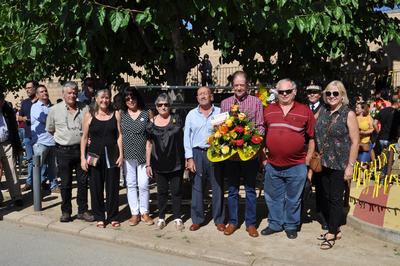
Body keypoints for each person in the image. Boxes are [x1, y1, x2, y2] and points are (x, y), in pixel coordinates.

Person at [262, 79, 315, 240]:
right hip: (272, 164)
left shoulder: (305, 111)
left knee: (294, 199)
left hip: (297, 165)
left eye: (288, 91)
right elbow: (261, 136)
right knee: (273, 197)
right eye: (281, 92)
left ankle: (291, 225)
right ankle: (275, 224)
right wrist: (263, 159)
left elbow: (312, 138)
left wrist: (307, 160)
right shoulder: (268, 110)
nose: (284, 94)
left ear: (295, 91)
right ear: (276, 93)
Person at [314, 80, 359, 249]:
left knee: (335, 198)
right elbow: (311, 124)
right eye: (329, 93)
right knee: (325, 195)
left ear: (342, 96)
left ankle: (332, 231)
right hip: (323, 162)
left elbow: (355, 142)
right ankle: (336, 228)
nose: (332, 96)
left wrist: (351, 166)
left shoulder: (348, 114)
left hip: (340, 163)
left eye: (335, 93)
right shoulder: (323, 110)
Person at [220, 71, 265, 237]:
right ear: (233, 86)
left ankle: (251, 224)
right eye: (236, 85)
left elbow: (260, 126)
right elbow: (221, 127)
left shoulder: (256, 102)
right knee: (232, 190)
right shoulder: (225, 103)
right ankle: (232, 222)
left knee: (250, 189)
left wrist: (252, 141)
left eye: (242, 85)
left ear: (247, 86)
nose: (239, 88)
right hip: (231, 156)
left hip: (249, 155)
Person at [46, 81, 94, 223]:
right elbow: (50, 129)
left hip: (81, 151)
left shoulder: (84, 108)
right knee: (66, 184)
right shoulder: (54, 110)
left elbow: (89, 128)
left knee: (83, 182)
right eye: (69, 93)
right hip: (63, 151)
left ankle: (83, 211)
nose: (72, 95)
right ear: (63, 94)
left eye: (74, 92)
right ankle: (66, 211)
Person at [184, 86, 225, 232]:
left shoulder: (220, 112)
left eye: (205, 94)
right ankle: (197, 219)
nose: (203, 96)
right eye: (200, 94)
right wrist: (189, 158)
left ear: (211, 96)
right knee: (197, 187)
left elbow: (226, 134)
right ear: (197, 98)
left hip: (215, 153)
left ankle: (219, 219)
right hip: (197, 154)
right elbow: (186, 138)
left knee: (218, 186)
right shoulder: (191, 115)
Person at [81, 89, 123, 228]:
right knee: (95, 187)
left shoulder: (115, 114)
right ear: (96, 99)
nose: (104, 100)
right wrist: (82, 157)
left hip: (112, 155)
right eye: (102, 98)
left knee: (112, 187)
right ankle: (99, 216)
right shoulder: (89, 115)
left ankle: (113, 216)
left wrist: (121, 155)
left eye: (107, 98)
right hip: (94, 156)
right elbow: (84, 137)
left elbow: (119, 136)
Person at [146, 93, 185, 231]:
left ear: (170, 106)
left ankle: (177, 217)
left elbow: (183, 139)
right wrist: (148, 164)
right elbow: (149, 144)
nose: (163, 107)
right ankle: (161, 218)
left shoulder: (177, 119)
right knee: (161, 192)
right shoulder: (150, 124)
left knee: (176, 191)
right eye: (160, 104)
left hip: (176, 162)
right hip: (158, 163)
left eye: (166, 104)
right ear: (156, 106)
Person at [120, 87, 154, 226]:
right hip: (127, 156)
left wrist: (149, 160)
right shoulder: (121, 114)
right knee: (131, 185)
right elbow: (119, 135)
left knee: (144, 184)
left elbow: (151, 137)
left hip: (143, 155)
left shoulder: (147, 114)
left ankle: (145, 212)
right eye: (127, 99)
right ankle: (135, 213)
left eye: (132, 97)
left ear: (137, 97)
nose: (130, 100)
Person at [30, 85, 59, 193]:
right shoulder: (36, 107)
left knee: (53, 167)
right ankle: (36, 189)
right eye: (41, 92)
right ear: (37, 95)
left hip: (52, 141)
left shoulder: (52, 107)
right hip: (40, 142)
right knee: (38, 166)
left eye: (45, 91)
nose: (45, 93)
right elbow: (45, 120)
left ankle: (54, 186)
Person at [0, 91, 23, 207]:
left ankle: (17, 196)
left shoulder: (7, 110)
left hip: (8, 143)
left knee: (12, 170)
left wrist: (18, 146)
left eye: (2, 101)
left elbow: (14, 129)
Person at [18, 80, 38, 191]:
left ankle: (42, 181)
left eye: (29, 88)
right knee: (30, 160)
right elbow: (19, 117)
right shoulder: (25, 102)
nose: (27, 90)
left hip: (39, 136)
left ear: (35, 88)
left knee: (41, 160)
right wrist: (24, 118)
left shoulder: (41, 101)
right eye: (26, 88)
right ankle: (29, 182)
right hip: (27, 135)